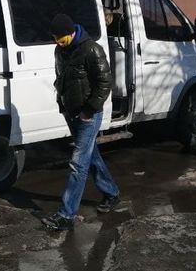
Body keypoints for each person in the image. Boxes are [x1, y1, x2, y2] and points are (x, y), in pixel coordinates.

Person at [40, 13, 122, 231]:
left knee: (78, 164)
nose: (58, 42)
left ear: (72, 32)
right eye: (55, 38)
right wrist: (62, 102)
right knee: (90, 156)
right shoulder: (60, 50)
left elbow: (105, 83)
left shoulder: (91, 50)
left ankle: (66, 215)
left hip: (88, 115)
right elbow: (62, 78)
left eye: (62, 38)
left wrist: (89, 110)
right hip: (71, 113)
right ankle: (112, 193)